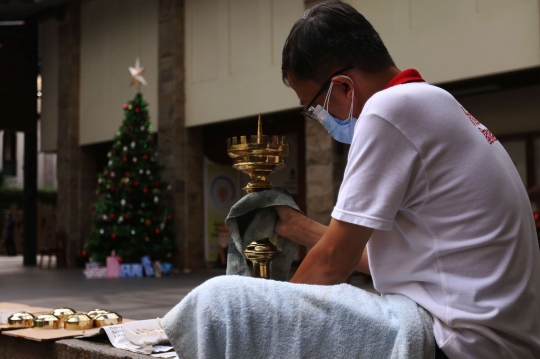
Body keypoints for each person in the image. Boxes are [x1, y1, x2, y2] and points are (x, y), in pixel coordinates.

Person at [162, 2, 540, 358]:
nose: (321, 121)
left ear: (343, 86)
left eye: (314, 107)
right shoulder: (434, 102)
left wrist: (269, 314)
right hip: (497, 336)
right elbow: (383, 260)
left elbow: (332, 262)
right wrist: (298, 228)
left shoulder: (388, 110)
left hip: (461, 341)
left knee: (222, 301)